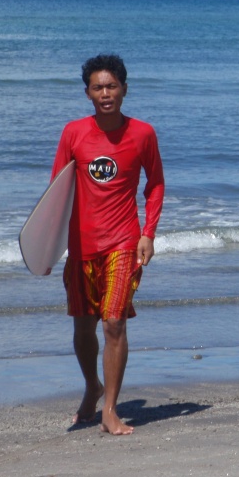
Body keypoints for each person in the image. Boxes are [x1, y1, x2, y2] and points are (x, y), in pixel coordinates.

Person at [51, 54, 164, 434]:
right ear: (87, 93)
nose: (105, 93)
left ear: (125, 89)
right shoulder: (73, 133)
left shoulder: (143, 133)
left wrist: (148, 231)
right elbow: (56, 194)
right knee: (83, 329)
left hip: (122, 242)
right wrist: (48, 249)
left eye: (112, 86)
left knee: (114, 323)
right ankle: (92, 388)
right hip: (81, 247)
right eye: (98, 87)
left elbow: (156, 183)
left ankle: (110, 409)